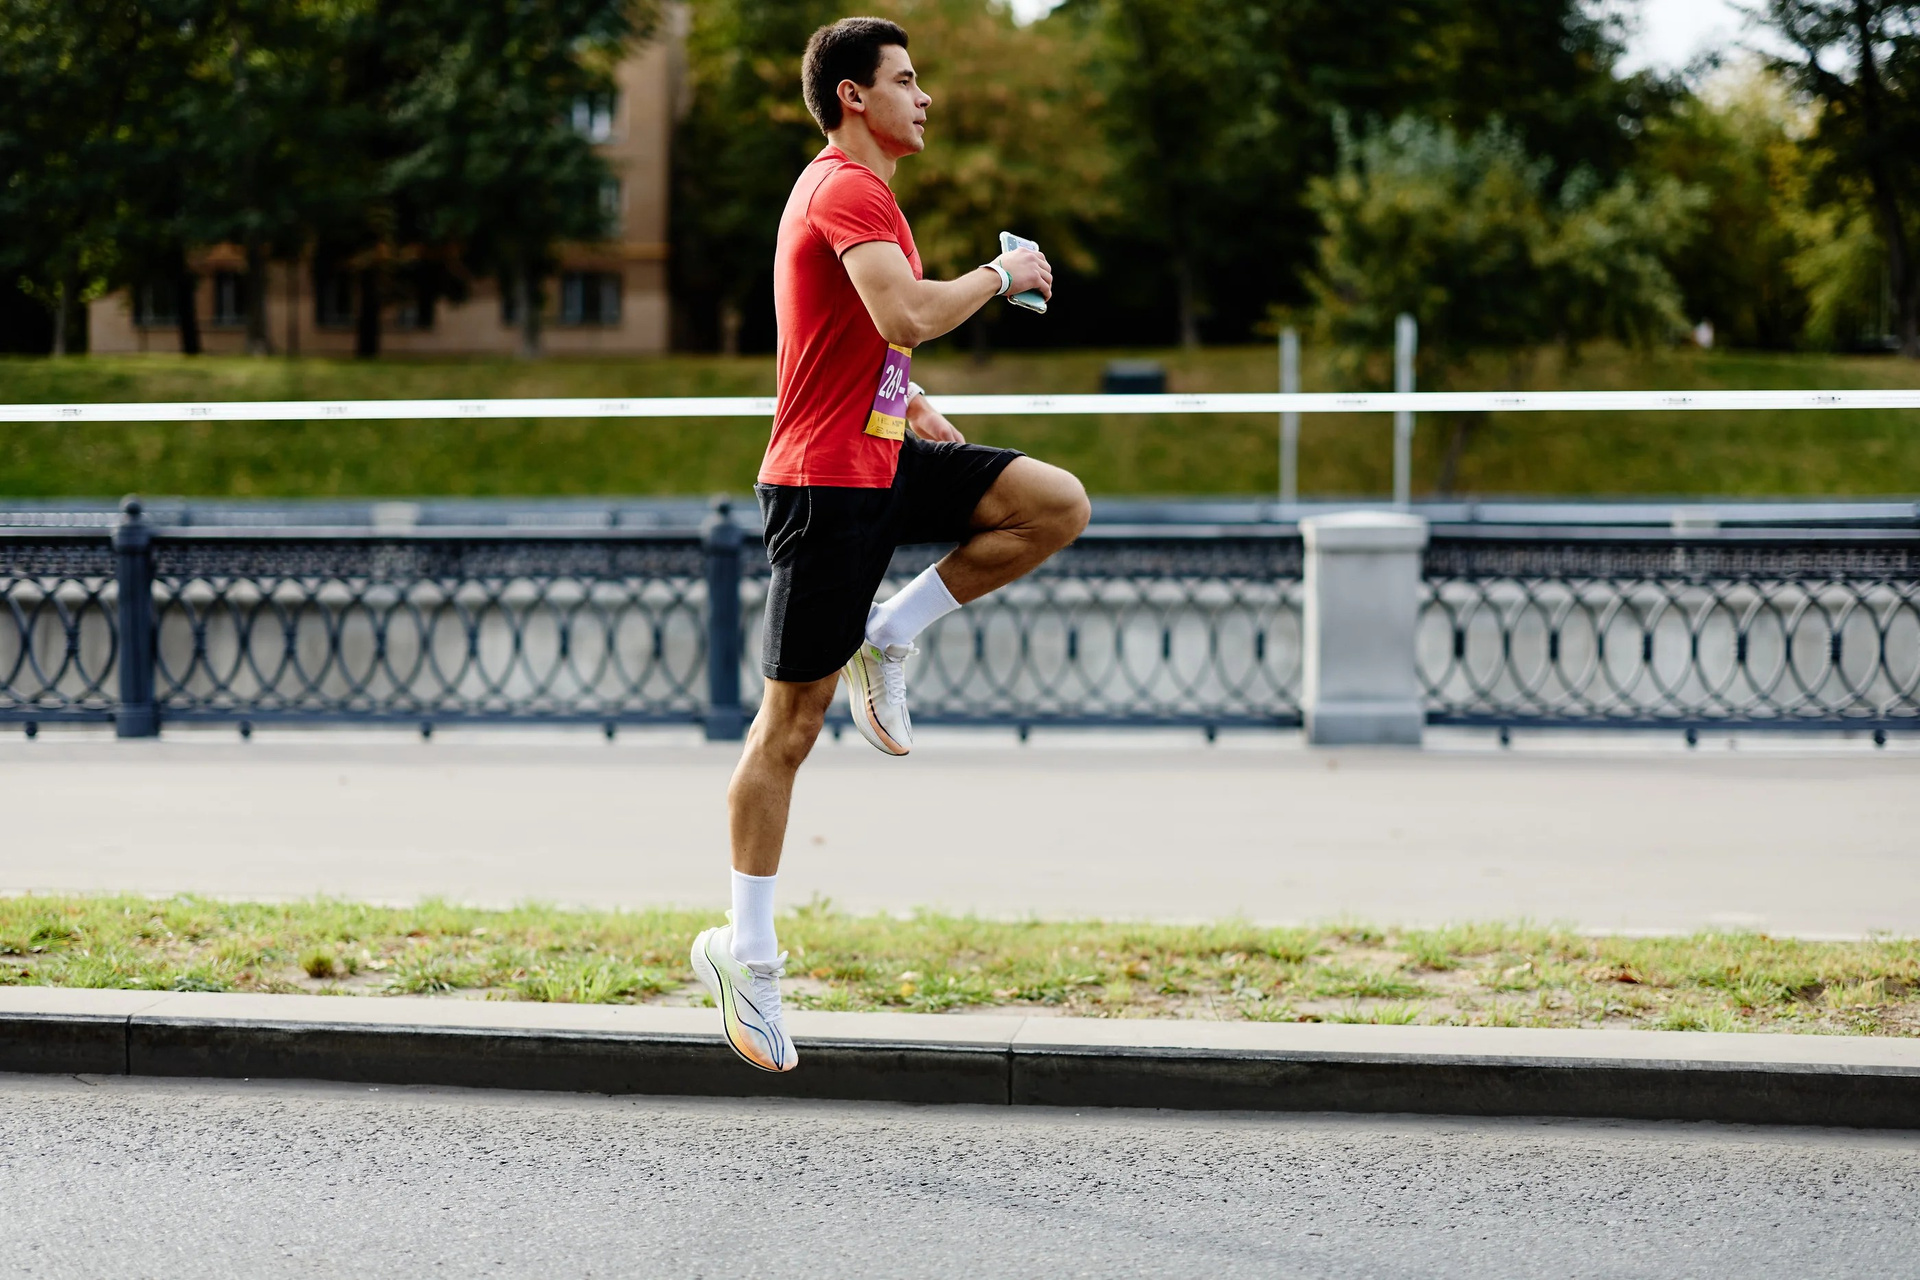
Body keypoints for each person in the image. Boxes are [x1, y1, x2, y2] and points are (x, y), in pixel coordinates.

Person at [690, 16, 1090, 1072]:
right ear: (855, 96)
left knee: (1052, 505)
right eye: (907, 80)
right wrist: (1002, 273)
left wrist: (910, 402)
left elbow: (855, 334)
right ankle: (745, 952)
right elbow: (906, 313)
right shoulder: (844, 187)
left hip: (881, 455)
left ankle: (891, 632)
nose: (927, 96)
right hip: (823, 487)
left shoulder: (871, 198)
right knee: (789, 727)